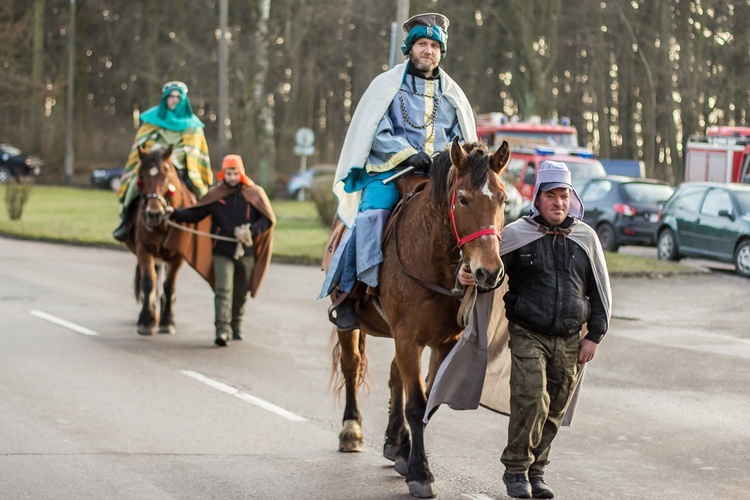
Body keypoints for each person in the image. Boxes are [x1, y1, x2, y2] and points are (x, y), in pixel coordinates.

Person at [424, 160, 612, 499]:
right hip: (528, 334)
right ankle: (515, 472)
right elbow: (488, 273)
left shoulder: (585, 239)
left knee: (554, 409)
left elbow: (599, 290)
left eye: (564, 197)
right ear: (538, 198)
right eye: (551, 196)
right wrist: (464, 278)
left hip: (570, 339)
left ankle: (536, 472)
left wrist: (594, 336)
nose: (558, 203)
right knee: (530, 400)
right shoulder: (516, 236)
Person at [319, 12, 477, 330]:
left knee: (471, 217)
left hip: (439, 175)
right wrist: (408, 154)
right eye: (422, 43)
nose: (428, 50)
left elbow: (464, 141)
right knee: (371, 215)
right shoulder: (386, 86)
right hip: (390, 170)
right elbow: (375, 132)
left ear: (441, 51)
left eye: (434, 45)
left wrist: (445, 159)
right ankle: (350, 292)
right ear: (410, 48)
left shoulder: (454, 95)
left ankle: (472, 290)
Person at [165, 155, 275, 347]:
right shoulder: (216, 195)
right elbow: (195, 213)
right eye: (228, 173)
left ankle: (236, 325)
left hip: (246, 251)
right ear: (223, 174)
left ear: (241, 173)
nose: (232, 177)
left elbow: (267, 219)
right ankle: (222, 330)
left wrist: (251, 230)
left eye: (235, 173)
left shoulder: (254, 194)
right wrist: (173, 212)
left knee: (241, 291)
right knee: (223, 289)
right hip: (222, 250)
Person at [113, 80, 213, 242]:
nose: (174, 100)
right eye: (170, 96)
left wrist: (173, 158)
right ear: (165, 99)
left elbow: (194, 151)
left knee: (200, 192)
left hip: (180, 168)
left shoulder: (193, 125)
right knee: (133, 187)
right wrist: (156, 156)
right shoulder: (152, 120)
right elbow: (143, 145)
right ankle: (125, 223)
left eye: (177, 97)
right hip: (153, 166)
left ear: (183, 100)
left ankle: (202, 229)